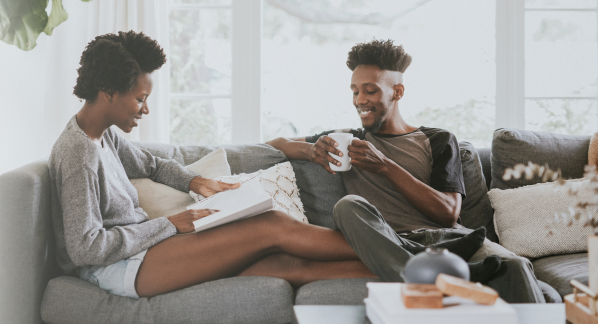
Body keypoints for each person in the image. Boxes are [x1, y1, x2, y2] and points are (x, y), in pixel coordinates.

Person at [49, 32, 376, 298]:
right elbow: (86, 249)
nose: (145, 109)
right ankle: (398, 250)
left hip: (141, 252)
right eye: (140, 99)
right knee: (271, 224)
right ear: (108, 93)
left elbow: (151, 165)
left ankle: (403, 271)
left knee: (282, 264)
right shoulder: (79, 155)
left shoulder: (103, 136)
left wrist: (197, 183)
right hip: (117, 268)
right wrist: (172, 224)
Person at [266, 39, 546, 303]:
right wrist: (310, 151)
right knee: (348, 206)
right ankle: (438, 275)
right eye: (354, 91)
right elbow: (274, 144)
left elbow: (448, 213)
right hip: (387, 242)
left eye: (370, 90)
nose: (359, 100)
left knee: (516, 265)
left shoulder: (437, 139)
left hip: (451, 242)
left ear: (397, 92)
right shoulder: (347, 139)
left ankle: (430, 271)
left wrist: (386, 166)